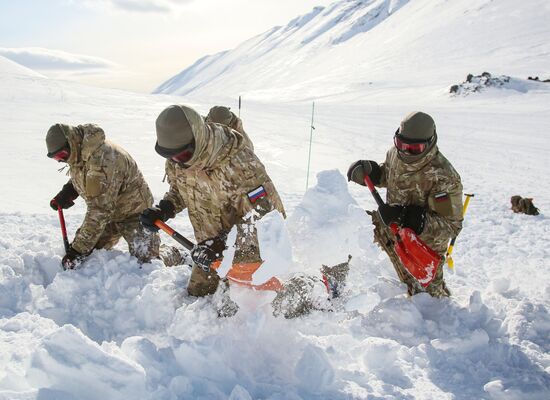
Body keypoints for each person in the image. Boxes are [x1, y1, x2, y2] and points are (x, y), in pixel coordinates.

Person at [140, 104, 286, 298]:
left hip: (249, 252)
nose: (177, 162)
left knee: (251, 309)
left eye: (182, 154)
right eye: (170, 156)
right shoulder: (179, 158)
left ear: (198, 139)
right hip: (208, 250)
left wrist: (224, 244)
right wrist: (166, 208)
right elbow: (182, 187)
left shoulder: (239, 164)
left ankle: (319, 286)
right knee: (197, 294)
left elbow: (267, 218)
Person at [347, 111, 463, 297]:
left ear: (430, 143)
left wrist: (412, 218)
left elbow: (451, 226)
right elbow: (391, 174)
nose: (405, 151)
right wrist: (374, 173)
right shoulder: (395, 154)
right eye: (401, 145)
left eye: (414, 149)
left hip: (421, 248)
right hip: (392, 228)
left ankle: (439, 301)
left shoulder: (444, 176)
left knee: (426, 302)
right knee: (352, 226)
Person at [46, 123, 161, 269]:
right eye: (57, 158)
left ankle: (175, 255)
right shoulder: (79, 151)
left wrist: (77, 251)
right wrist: (69, 191)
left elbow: (99, 210)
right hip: (109, 214)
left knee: (147, 262)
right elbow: (86, 173)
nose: (62, 160)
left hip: (135, 212)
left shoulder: (102, 159)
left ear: (71, 142)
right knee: (91, 253)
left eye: (61, 155)